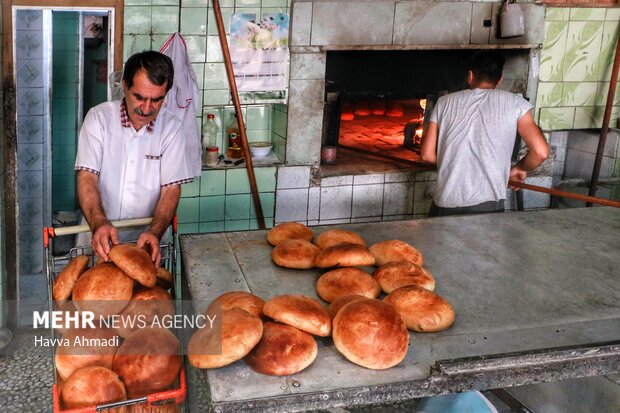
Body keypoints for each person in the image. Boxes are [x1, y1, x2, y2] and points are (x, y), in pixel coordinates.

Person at [75, 51, 193, 264]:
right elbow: (87, 177)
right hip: (99, 233)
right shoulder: (99, 119)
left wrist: (155, 232)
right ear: (125, 85)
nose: (147, 109)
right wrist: (99, 223)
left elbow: (171, 189)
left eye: (156, 100)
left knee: (148, 295)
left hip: (147, 240)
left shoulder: (172, 128)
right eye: (139, 97)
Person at [420, 50, 548, 217]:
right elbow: (540, 152)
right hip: (489, 205)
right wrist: (518, 169)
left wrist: (455, 161)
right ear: (499, 80)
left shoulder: (444, 102)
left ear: (470, 76)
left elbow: (427, 155)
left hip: (446, 201)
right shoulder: (516, 103)